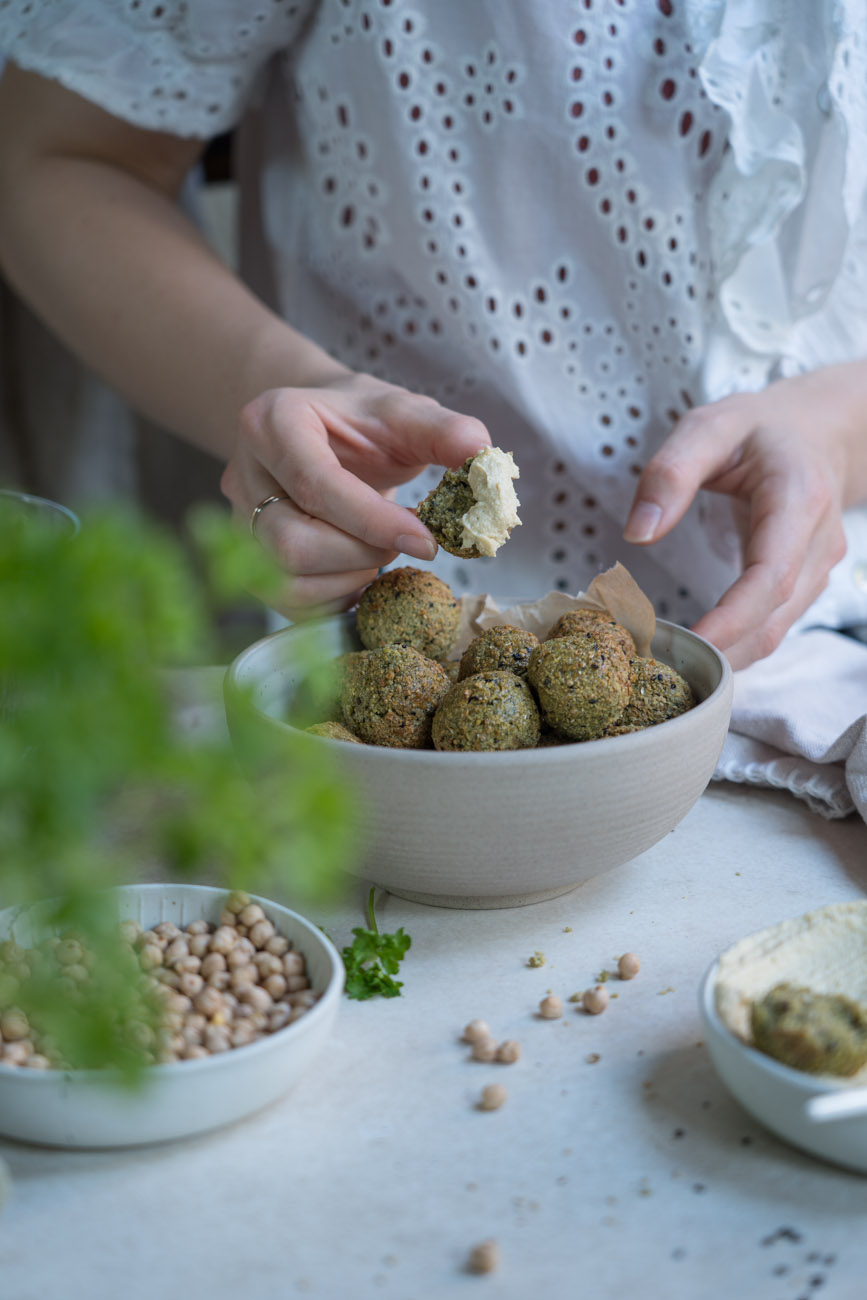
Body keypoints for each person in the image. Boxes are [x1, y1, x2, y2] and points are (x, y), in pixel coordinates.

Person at [1, 0, 866, 670]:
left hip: (834, 651)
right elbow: (57, 158)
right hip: (389, 662)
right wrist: (298, 394)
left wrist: (838, 429)